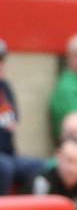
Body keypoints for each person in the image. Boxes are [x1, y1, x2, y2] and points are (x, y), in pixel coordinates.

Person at [0, 38, 44, 194]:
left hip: (9, 154)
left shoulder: (5, 87)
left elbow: (13, 123)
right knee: (4, 167)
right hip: (3, 161)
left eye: (2, 60)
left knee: (41, 166)